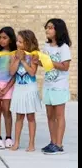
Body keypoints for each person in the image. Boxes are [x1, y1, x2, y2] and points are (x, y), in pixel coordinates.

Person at [40, 18, 72, 155]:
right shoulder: (46, 47)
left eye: (51, 27)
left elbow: (65, 67)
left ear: (58, 30)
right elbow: (45, 65)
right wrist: (38, 61)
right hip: (48, 85)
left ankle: (59, 145)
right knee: (49, 115)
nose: (47, 30)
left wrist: (50, 62)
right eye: (47, 27)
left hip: (59, 86)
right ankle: (52, 142)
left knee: (59, 116)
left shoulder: (63, 48)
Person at [9, 30, 42, 152]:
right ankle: (16, 142)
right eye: (17, 41)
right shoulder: (13, 54)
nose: (17, 43)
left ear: (27, 43)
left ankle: (31, 143)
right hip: (19, 88)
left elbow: (32, 72)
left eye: (20, 42)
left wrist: (23, 60)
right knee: (19, 117)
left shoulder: (34, 55)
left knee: (31, 117)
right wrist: (17, 59)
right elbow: (11, 72)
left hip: (30, 88)